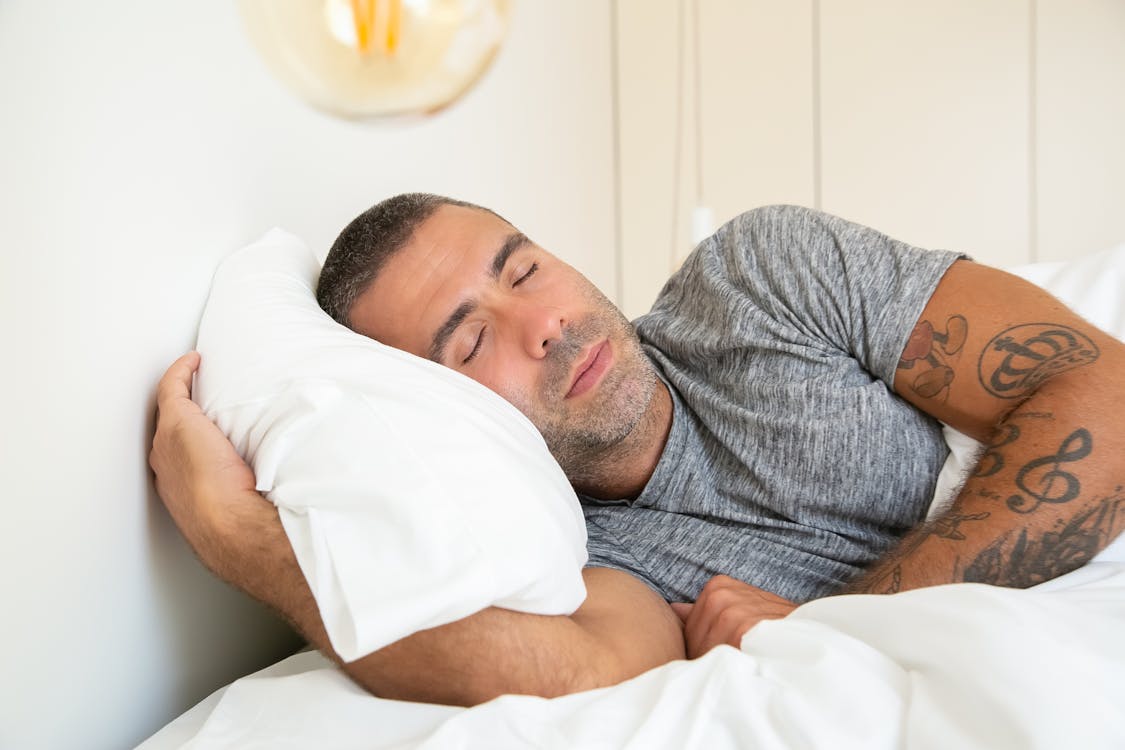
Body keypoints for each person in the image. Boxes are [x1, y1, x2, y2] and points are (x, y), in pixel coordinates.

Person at [150, 195, 1125, 706]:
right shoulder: (586, 561)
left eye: (525, 268)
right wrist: (250, 546)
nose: (542, 325)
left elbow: (1104, 389)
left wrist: (844, 623)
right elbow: (577, 677)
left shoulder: (761, 277)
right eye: (471, 341)